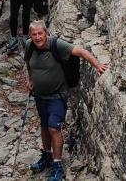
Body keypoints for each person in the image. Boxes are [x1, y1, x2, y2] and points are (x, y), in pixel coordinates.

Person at [24, 20, 107, 181]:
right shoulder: (29, 45)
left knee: (54, 128)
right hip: (40, 95)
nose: (38, 37)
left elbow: (81, 52)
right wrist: (30, 79)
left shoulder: (57, 45)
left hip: (57, 96)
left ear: (46, 33)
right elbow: (28, 62)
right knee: (44, 126)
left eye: (40, 33)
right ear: (30, 36)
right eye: (34, 34)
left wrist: (97, 65)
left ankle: (57, 164)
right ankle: (46, 156)